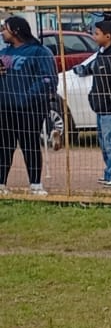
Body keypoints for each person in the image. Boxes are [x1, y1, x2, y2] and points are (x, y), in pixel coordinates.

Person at [71, 20, 111, 187]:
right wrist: (95, 99)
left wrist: (105, 100)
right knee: (106, 143)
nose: (94, 36)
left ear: (108, 36)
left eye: (97, 33)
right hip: (102, 107)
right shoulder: (102, 54)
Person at [0, 17, 56, 195]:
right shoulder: (3, 52)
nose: (2, 32)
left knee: (30, 145)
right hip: (5, 108)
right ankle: (1, 184)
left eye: (5, 29)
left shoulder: (39, 52)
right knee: (4, 147)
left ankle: (35, 184)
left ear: (16, 31)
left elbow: (48, 79)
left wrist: (27, 97)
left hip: (30, 109)